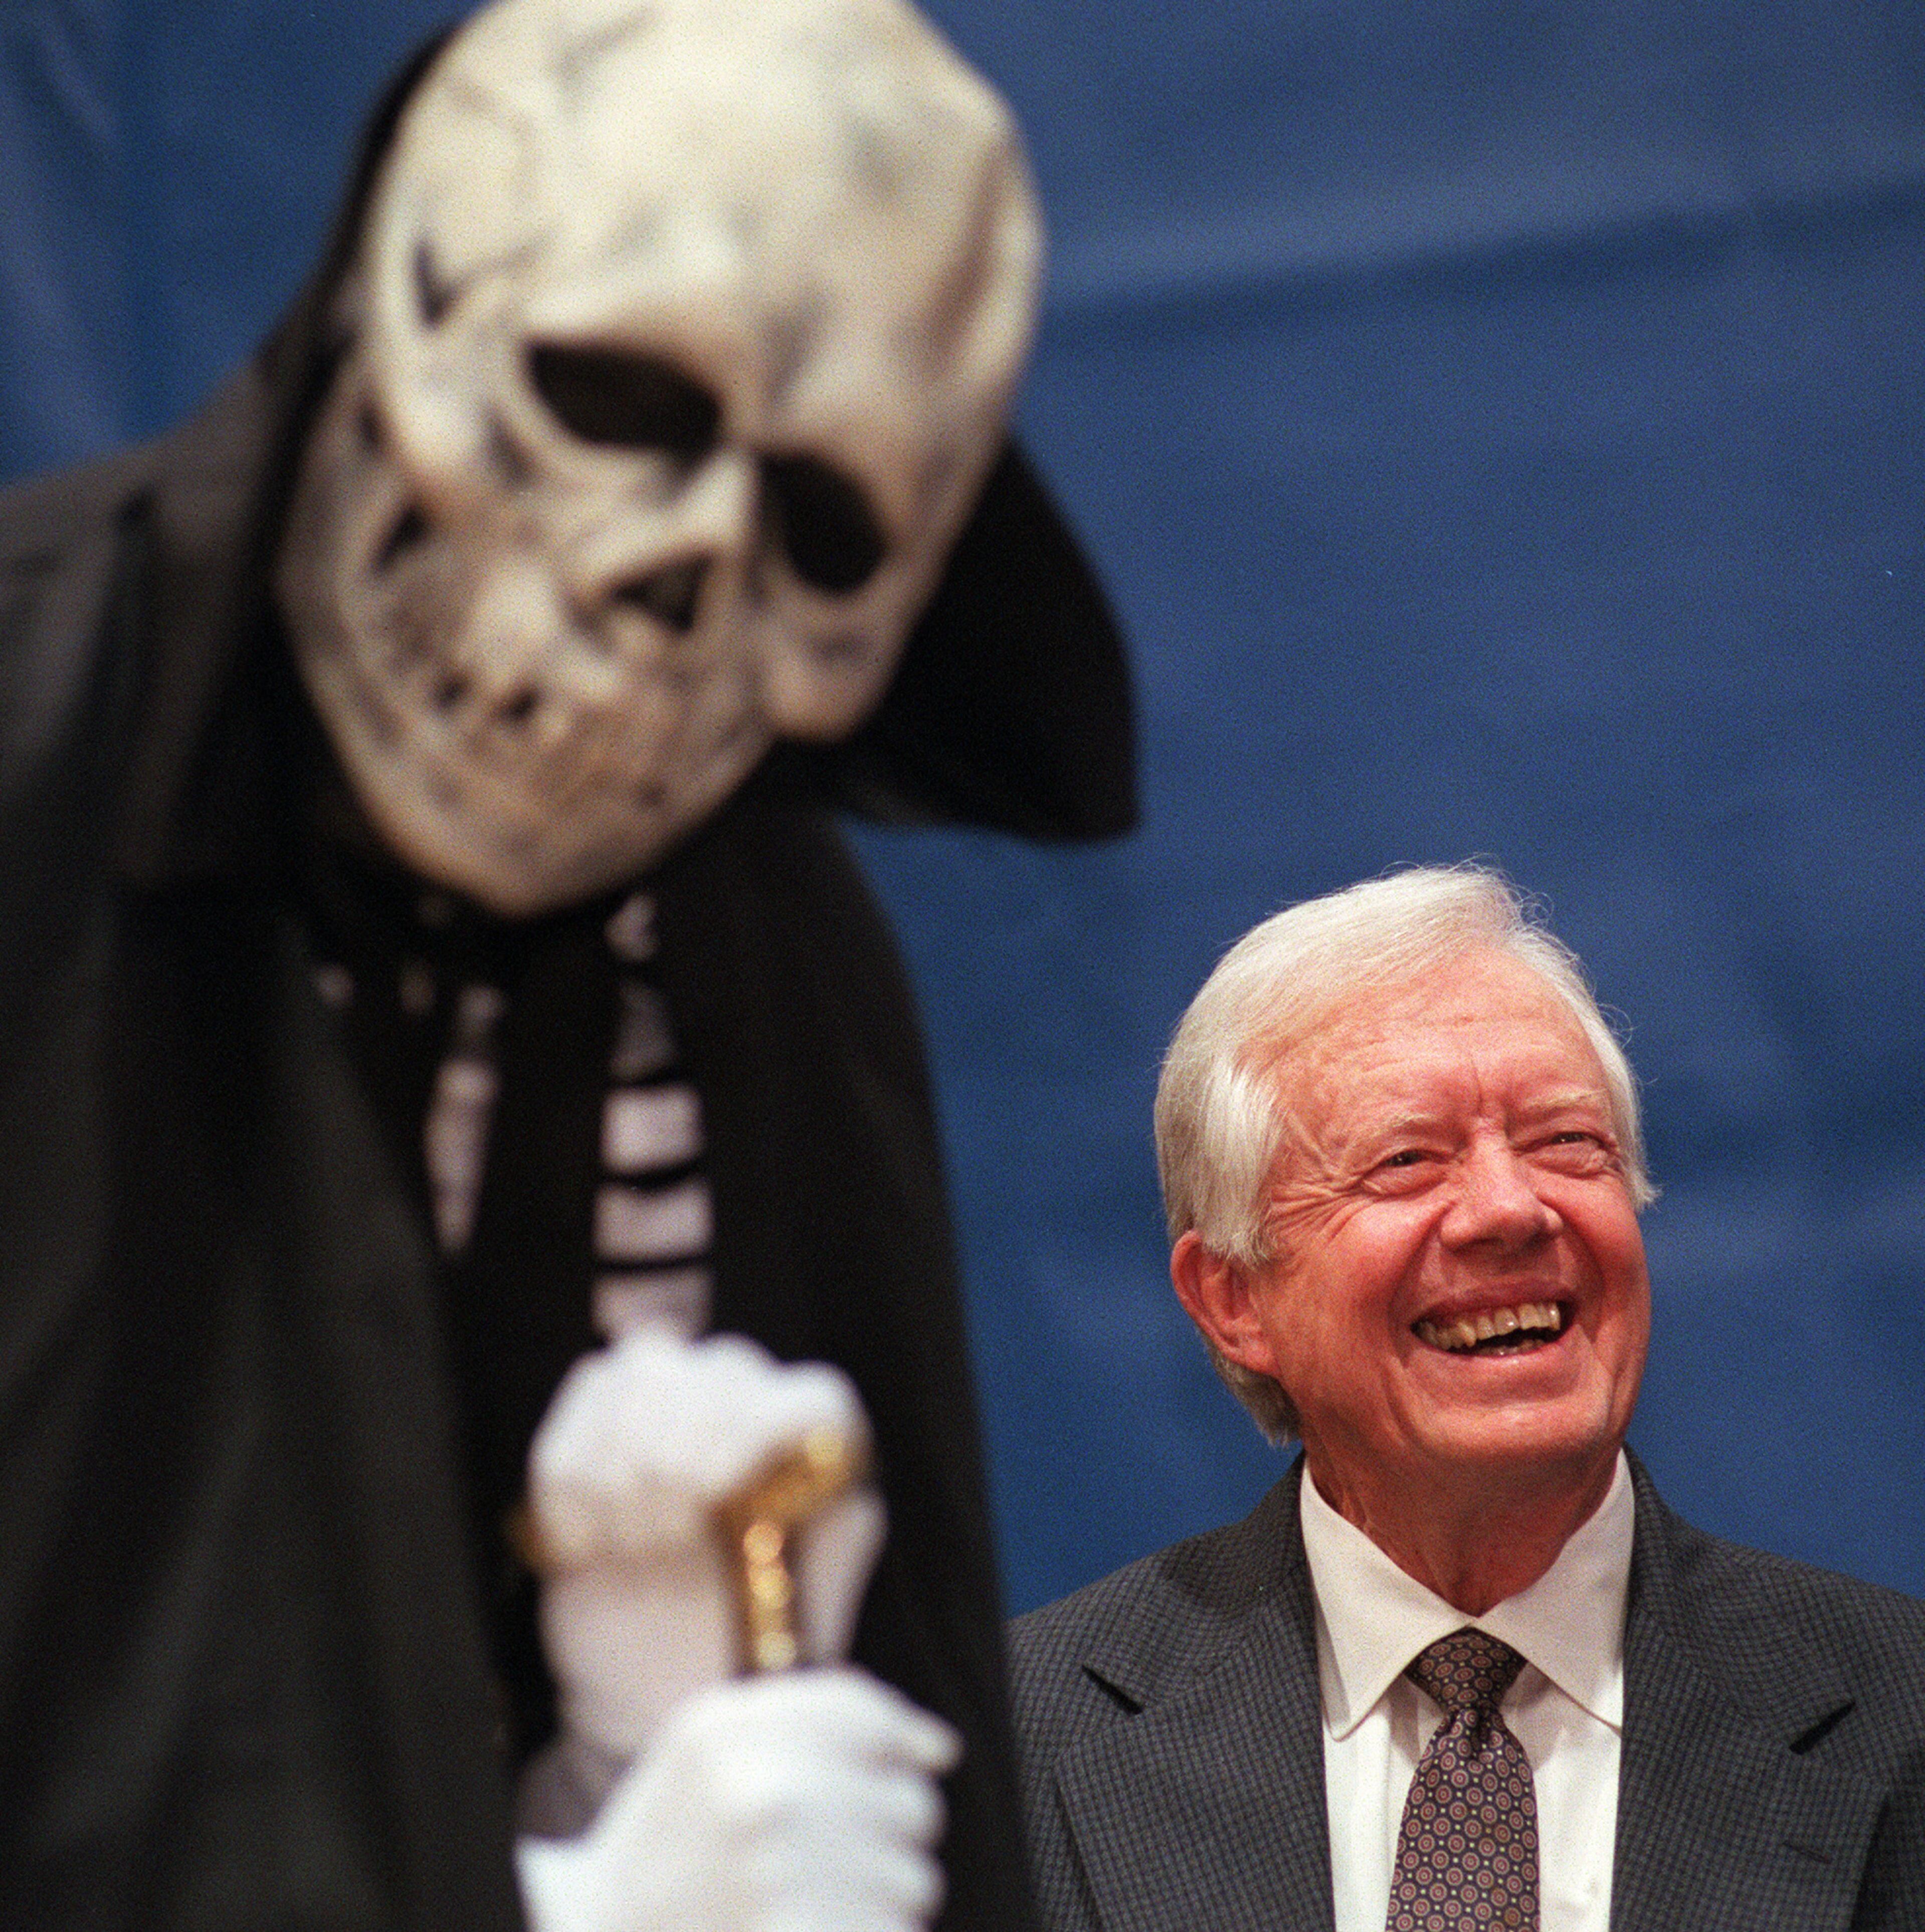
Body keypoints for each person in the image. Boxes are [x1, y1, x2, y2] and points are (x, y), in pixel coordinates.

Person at [0, 1, 1133, 1926]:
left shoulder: (765, 952)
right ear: (407, 307)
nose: (671, 583)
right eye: (619, 401)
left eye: (819, 528)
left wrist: (636, 1731)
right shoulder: (37, 751)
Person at [1007, 865, 1925, 1931]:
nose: (1509, 1207)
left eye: (1568, 1143)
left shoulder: (1900, 1711)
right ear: (1234, 1297)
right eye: (1405, 1160)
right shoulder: (1010, 1747)